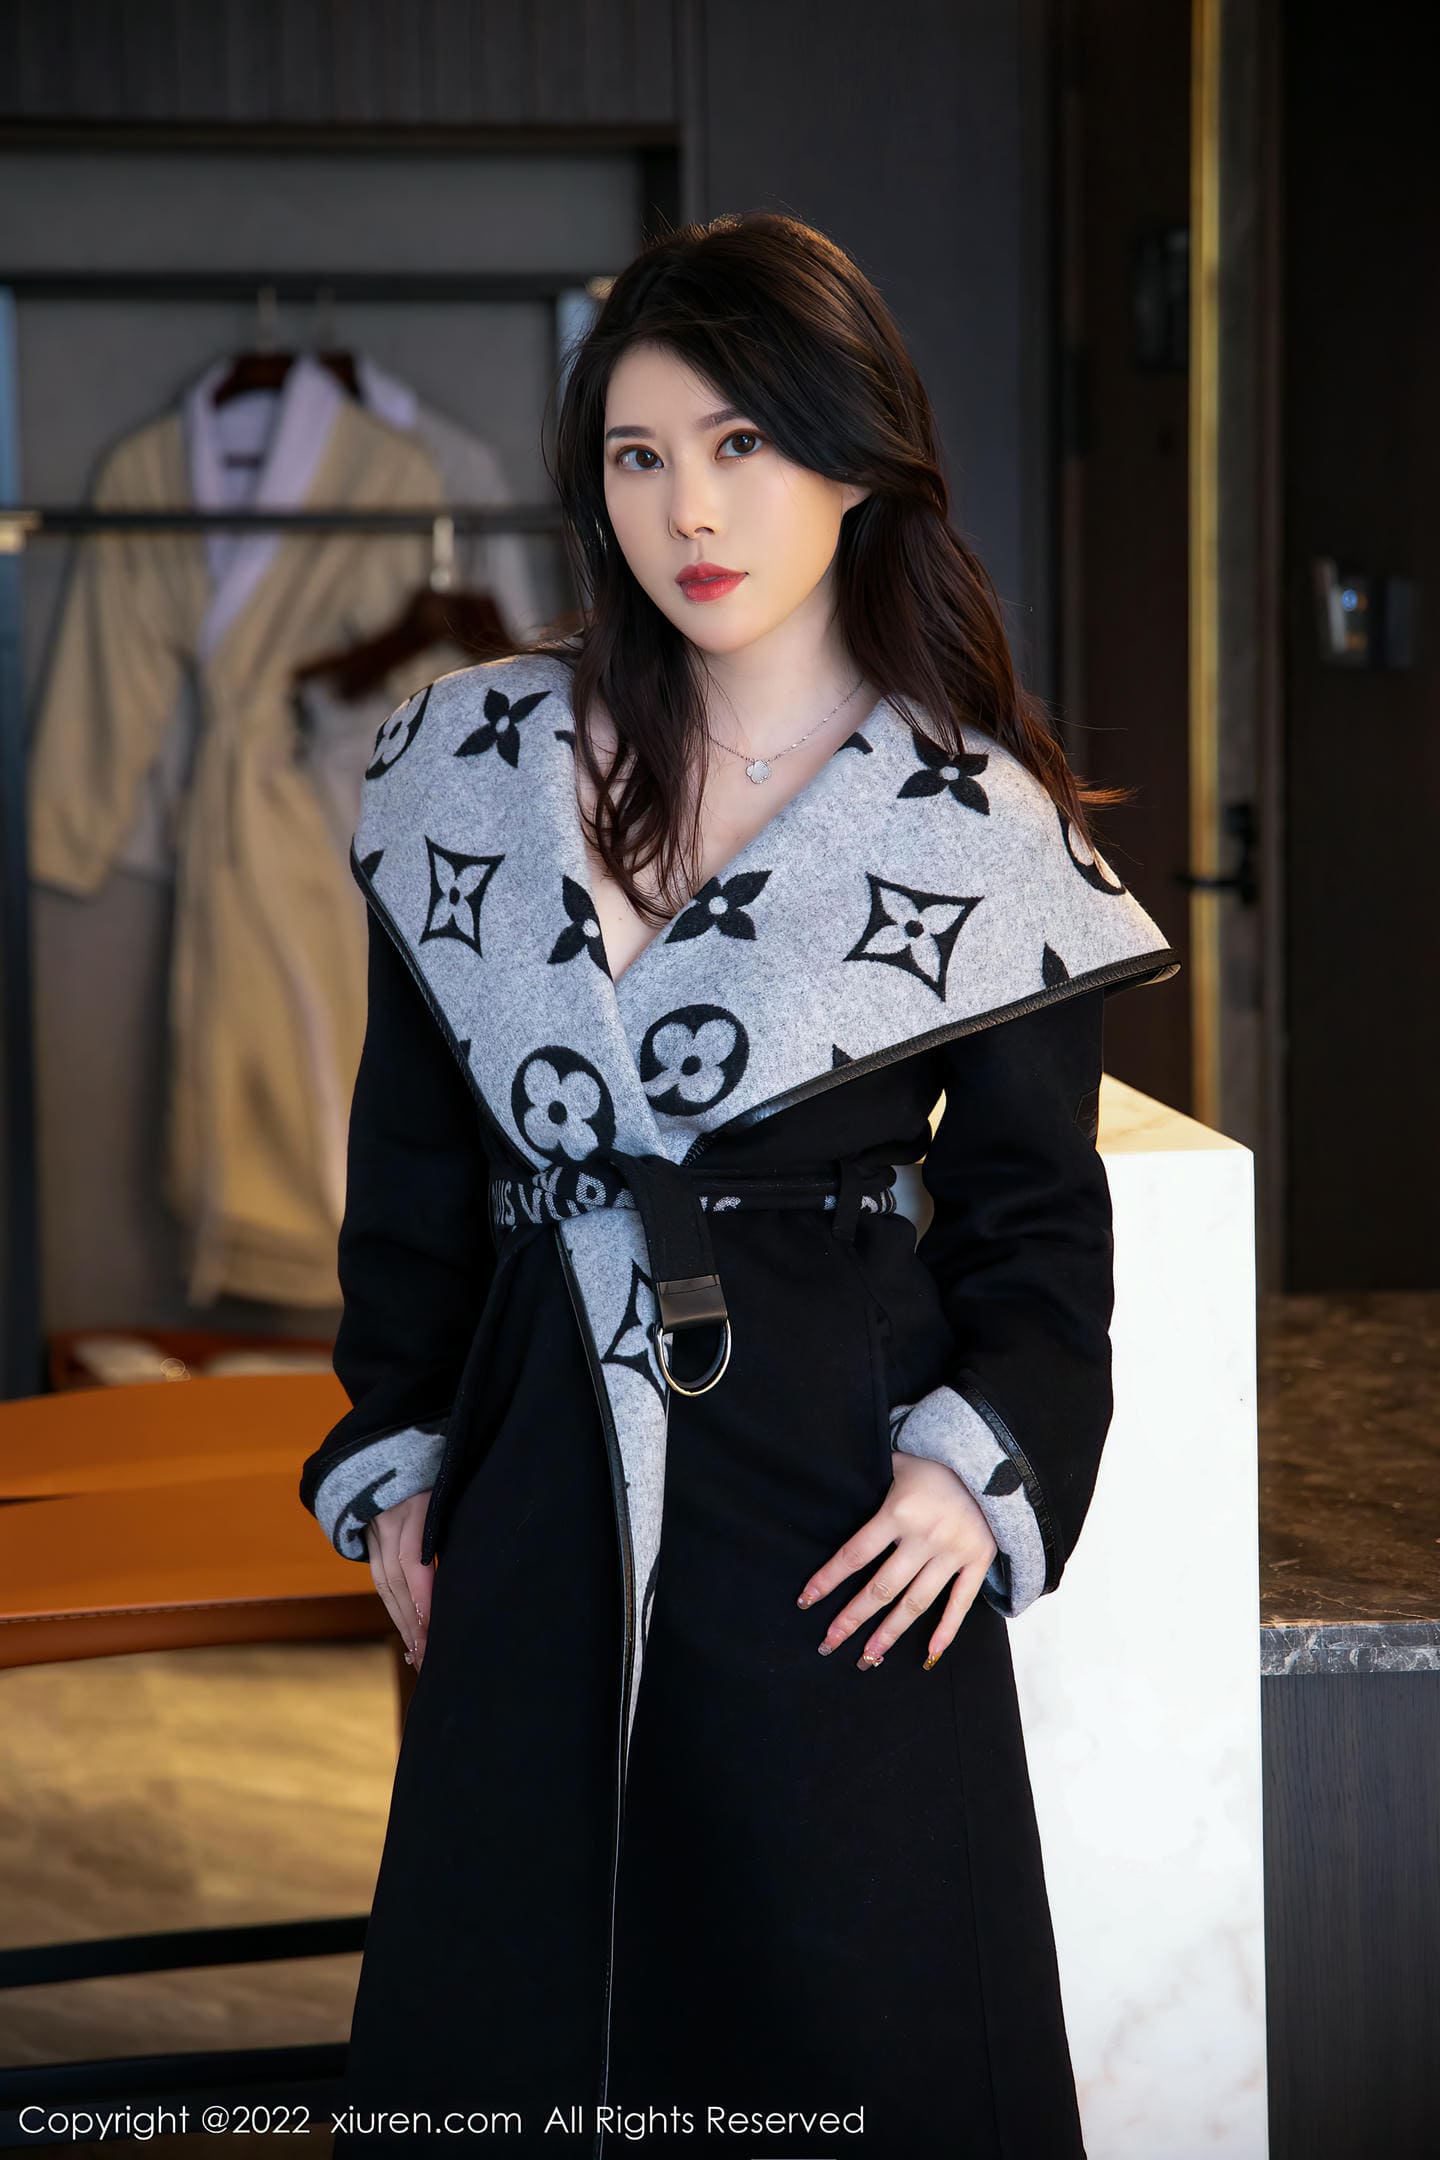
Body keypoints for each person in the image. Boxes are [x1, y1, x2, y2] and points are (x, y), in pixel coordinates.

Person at [300, 210, 1178, 2159]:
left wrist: (972, 1470)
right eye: (638, 454)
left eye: (742, 444)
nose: (687, 508)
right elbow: (412, 1161)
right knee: (522, 2007)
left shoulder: (977, 823)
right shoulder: (467, 762)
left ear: (857, 459)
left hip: (827, 1511)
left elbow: (1040, 1225)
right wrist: (401, 1451)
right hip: (539, 1475)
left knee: (846, 2018)